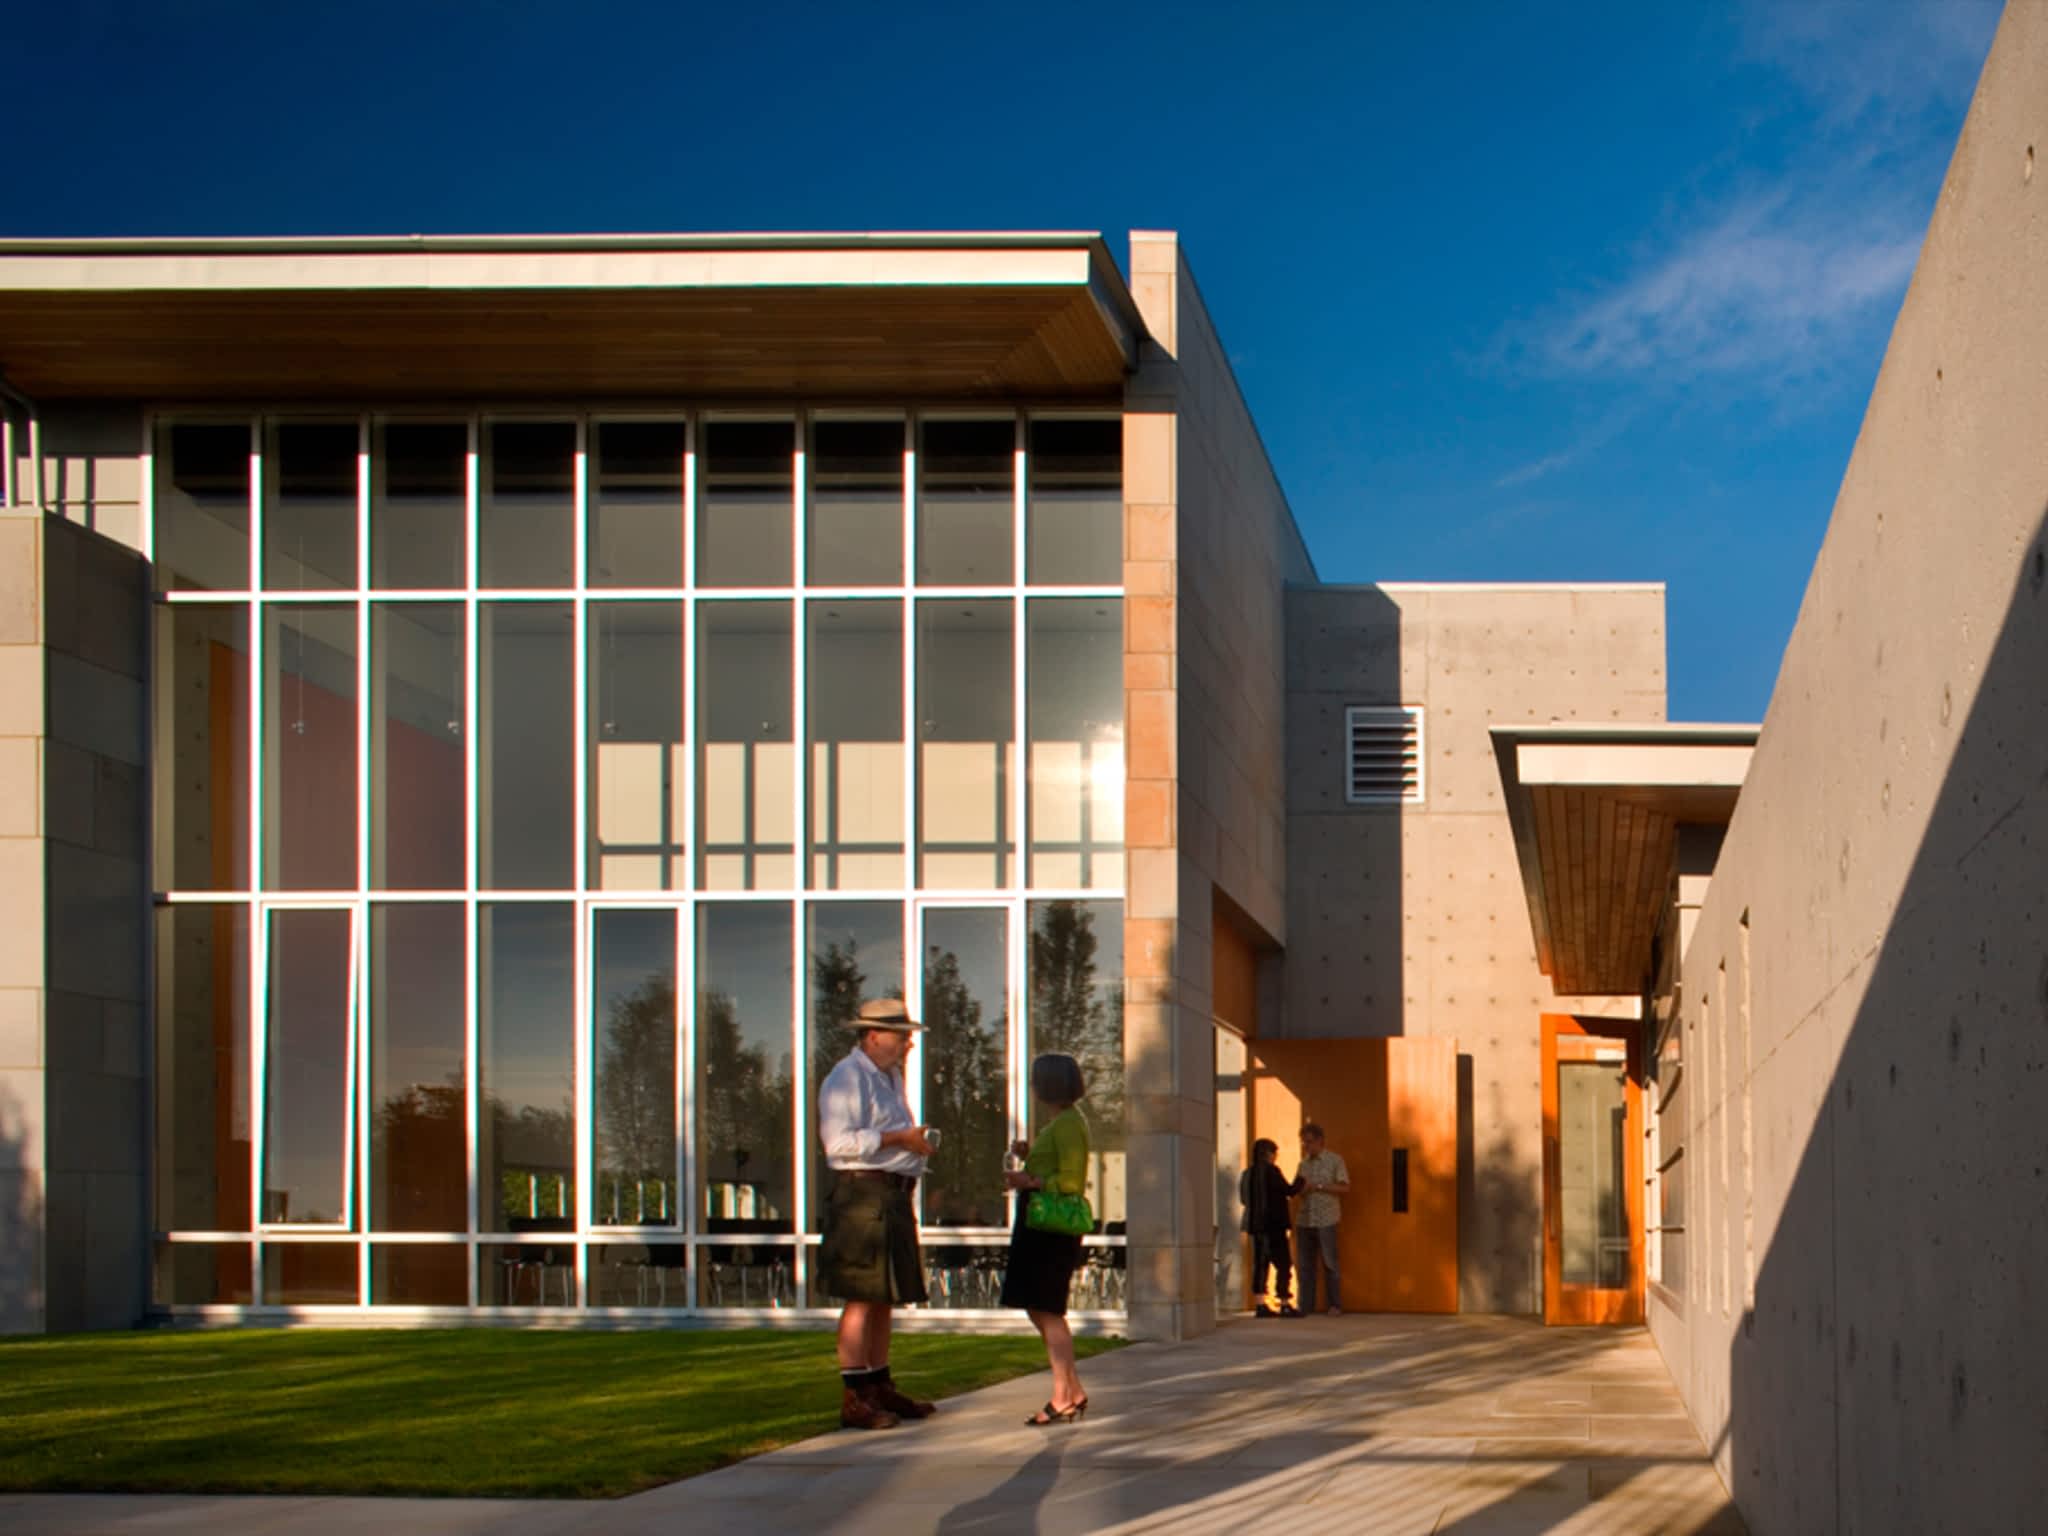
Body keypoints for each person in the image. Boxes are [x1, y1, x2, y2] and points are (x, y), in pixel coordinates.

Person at [816, 997, 937, 1430]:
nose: (907, 1044)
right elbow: (839, 1144)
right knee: (862, 1295)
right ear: (872, 1036)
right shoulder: (846, 1079)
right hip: (863, 1197)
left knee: (886, 1295)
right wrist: (898, 1139)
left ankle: (879, 1383)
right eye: (901, 1036)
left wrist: (909, 1143)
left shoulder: (890, 1078)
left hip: (892, 1196)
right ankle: (854, 1395)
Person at [1001, 1052, 1092, 1425]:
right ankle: (1071, 1389)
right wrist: (1030, 1156)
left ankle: (1062, 1394)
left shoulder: (1068, 1123)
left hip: (1049, 1229)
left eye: (1036, 1079)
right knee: (1040, 1307)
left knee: (1047, 1309)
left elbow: (1071, 1181)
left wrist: (1031, 1181)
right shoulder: (1060, 1123)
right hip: (1039, 1225)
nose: (1033, 1086)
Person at [1289, 1121, 1351, 1315]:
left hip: (1326, 1219)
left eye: (1309, 1142)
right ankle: (1305, 1305)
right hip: (1305, 1219)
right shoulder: (1303, 1163)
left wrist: (1319, 1186)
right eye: (1303, 1143)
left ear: (1320, 1141)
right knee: (1305, 1265)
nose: (1306, 1146)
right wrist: (1301, 1189)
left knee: (1329, 1263)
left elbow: (1344, 1187)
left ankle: (1334, 1305)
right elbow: (1296, 1188)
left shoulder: (1335, 1161)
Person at [1239, 1137, 1299, 1317]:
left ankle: (1260, 1304)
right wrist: (1302, 1181)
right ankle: (1285, 1302)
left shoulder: (1247, 1174)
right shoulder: (1272, 1172)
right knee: (1283, 1264)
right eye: (1274, 1153)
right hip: (1274, 1225)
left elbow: (1243, 1199)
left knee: (1260, 1264)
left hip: (1254, 1226)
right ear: (1268, 1154)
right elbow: (1288, 1190)